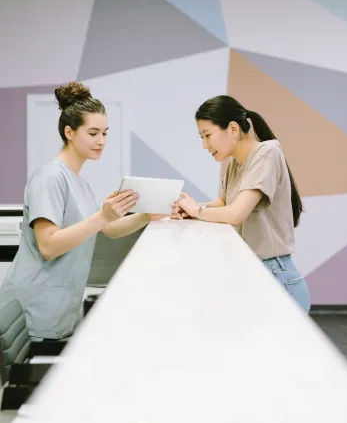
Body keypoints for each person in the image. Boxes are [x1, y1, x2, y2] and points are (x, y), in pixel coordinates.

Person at [0, 82, 174, 340]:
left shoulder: (79, 182)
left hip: (59, 307)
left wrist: (146, 215)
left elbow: (108, 229)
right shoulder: (50, 177)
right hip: (34, 308)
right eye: (93, 133)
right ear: (69, 132)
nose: (101, 141)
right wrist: (102, 215)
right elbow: (48, 246)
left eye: (105, 133)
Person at [175, 95, 311, 313]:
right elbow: (225, 202)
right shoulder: (234, 163)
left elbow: (237, 213)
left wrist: (197, 210)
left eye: (207, 135)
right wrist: (189, 210)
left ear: (233, 129)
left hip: (274, 276)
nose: (204, 145)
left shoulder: (267, 153)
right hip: (252, 272)